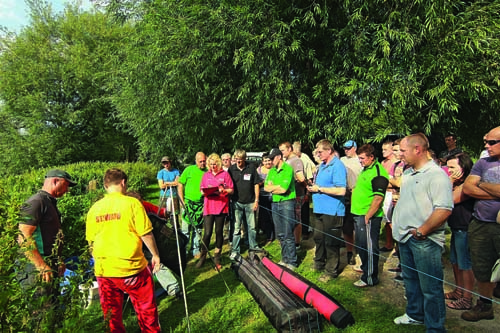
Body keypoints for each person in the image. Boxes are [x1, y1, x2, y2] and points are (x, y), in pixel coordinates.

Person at [86, 168, 161, 333]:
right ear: (123, 183)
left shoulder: (94, 209)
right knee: (145, 307)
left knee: (112, 314)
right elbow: (146, 233)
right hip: (131, 267)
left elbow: (91, 242)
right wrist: (155, 255)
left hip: (105, 270)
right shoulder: (132, 203)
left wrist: (99, 260)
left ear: (105, 186)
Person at [392, 134, 453, 332]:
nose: (399, 155)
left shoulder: (436, 175)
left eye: (403, 150)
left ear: (417, 149)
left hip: (424, 240)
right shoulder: (409, 173)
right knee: (410, 281)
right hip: (406, 238)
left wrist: (422, 231)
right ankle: (415, 314)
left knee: (431, 288)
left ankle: (435, 328)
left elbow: (444, 209)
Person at [17, 169, 77, 302]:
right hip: (34, 268)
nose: (67, 190)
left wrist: (58, 259)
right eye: (66, 185)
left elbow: (50, 235)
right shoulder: (36, 202)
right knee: (40, 312)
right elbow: (23, 235)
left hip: (49, 264)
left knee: (52, 308)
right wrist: (40, 265)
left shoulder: (48, 202)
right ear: (55, 181)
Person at [461, 126, 500, 322]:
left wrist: (481, 185)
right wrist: (492, 188)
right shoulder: (483, 163)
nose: (486, 145)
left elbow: (475, 186)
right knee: (482, 267)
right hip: (481, 224)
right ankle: (484, 306)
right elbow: (468, 188)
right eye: (486, 141)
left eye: (492, 142)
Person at [307, 139, 347, 282]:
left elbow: (341, 190)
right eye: (317, 152)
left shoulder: (337, 166)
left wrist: (320, 189)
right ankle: (319, 263)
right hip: (320, 208)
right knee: (318, 237)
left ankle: (331, 271)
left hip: (332, 210)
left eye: (320, 152)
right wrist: (313, 187)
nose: (318, 154)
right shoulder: (322, 165)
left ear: (329, 150)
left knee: (331, 241)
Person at [351, 144, 389, 287]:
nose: (360, 161)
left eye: (362, 158)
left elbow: (378, 198)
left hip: (368, 216)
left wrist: (368, 216)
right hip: (358, 213)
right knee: (361, 245)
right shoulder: (366, 169)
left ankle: (370, 277)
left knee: (369, 246)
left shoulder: (378, 173)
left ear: (371, 157)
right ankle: (365, 268)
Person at [444, 153, 475, 310]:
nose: (449, 171)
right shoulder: (455, 183)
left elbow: (448, 200)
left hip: (465, 228)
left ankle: (467, 298)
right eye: (447, 167)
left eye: (452, 167)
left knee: (465, 263)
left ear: (463, 168)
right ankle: (458, 290)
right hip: (456, 228)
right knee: (455, 261)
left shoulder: (467, 185)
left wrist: (449, 182)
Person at [197, 153, 234, 269]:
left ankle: (217, 257)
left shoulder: (225, 174)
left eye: (215, 164)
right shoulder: (206, 175)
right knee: (207, 233)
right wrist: (205, 192)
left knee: (219, 231)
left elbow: (231, 190)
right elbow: (202, 190)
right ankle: (203, 256)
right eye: (211, 164)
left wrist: (224, 190)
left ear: (218, 164)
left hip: (221, 206)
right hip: (209, 206)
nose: (213, 166)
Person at [264, 148, 297, 270]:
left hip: (287, 202)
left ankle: (292, 261)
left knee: (288, 231)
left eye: (272, 158)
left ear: (279, 157)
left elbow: (284, 190)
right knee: (280, 233)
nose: (270, 161)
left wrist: (274, 187)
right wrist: (277, 187)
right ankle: (284, 258)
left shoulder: (288, 169)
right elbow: (266, 187)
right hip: (275, 202)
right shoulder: (272, 171)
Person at [228, 149, 261, 258]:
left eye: (240, 160)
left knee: (251, 227)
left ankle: (253, 246)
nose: (238, 162)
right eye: (236, 159)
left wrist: (256, 200)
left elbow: (256, 184)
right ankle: (235, 250)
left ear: (244, 159)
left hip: (250, 202)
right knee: (237, 228)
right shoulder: (231, 170)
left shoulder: (251, 168)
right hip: (237, 202)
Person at [178, 152, 207, 258]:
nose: (203, 163)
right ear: (196, 161)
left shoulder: (208, 172)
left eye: (204, 161)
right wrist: (182, 201)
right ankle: (183, 250)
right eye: (200, 162)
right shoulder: (189, 170)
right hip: (188, 204)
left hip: (201, 205)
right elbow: (180, 184)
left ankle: (195, 249)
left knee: (198, 229)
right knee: (185, 229)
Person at [279, 141, 307, 249]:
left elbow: (301, 177)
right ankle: (290, 240)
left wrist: (305, 188)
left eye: (283, 150)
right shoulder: (287, 160)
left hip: (297, 193)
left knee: (296, 217)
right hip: (288, 194)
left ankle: (297, 242)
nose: (281, 153)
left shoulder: (296, 160)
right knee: (290, 217)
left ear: (290, 149)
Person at [340, 140, 362, 265]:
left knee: (358, 227)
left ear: (355, 148)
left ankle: (360, 251)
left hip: (358, 195)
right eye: (345, 148)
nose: (346, 150)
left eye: (348, 148)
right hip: (346, 196)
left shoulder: (360, 160)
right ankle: (350, 252)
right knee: (347, 228)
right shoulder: (342, 160)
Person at [293, 141, 316, 238]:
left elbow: (310, 174)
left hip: (304, 187)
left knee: (304, 211)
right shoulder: (290, 159)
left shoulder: (305, 158)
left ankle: (305, 231)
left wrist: (307, 193)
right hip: (294, 189)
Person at [380, 140, 398, 253]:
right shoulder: (383, 163)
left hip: (393, 193)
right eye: (382, 149)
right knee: (387, 220)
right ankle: (389, 243)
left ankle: (398, 246)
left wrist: (386, 182)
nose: (383, 152)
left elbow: (395, 181)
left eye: (385, 149)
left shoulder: (396, 163)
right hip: (384, 193)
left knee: (394, 220)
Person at [257, 153, 275, 245]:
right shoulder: (259, 170)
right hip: (263, 196)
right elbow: (256, 183)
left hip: (274, 196)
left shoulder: (275, 169)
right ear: (262, 162)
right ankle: (269, 236)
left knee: (274, 216)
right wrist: (263, 182)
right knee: (265, 216)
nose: (267, 162)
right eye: (265, 161)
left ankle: (275, 234)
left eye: (269, 160)